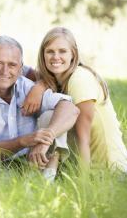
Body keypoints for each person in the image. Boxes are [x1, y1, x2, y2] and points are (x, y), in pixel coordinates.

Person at [0, 36, 80, 181]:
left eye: (12, 65)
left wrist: (47, 137)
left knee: (53, 115)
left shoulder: (28, 88)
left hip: (30, 165)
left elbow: (71, 109)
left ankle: (47, 183)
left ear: (21, 69)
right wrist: (24, 141)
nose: (5, 71)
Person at [36, 27, 127, 171]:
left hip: (111, 169)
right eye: (50, 51)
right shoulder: (56, 81)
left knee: (51, 116)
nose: (55, 57)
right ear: (43, 55)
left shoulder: (79, 79)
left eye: (62, 51)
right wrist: (38, 86)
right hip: (84, 165)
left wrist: (84, 184)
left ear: (73, 54)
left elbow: (83, 137)